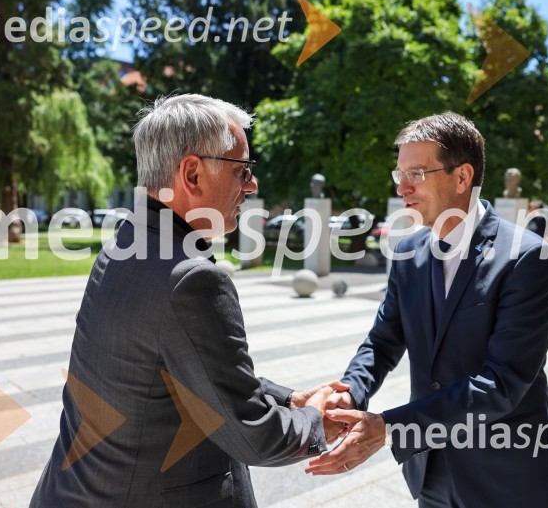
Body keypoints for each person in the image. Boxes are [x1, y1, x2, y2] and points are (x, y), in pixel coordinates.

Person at [31, 94, 345, 507]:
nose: (252, 185)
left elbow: (180, 365)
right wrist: (315, 417)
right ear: (192, 174)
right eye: (243, 170)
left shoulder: (127, 243)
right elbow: (254, 435)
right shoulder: (191, 277)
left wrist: (287, 398)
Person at [305, 112, 548, 508]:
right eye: (399, 174)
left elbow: (503, 383)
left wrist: (389, 427)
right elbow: (384, 339)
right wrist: (352, 392)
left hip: (507, 479)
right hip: (429, 474)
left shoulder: (527, 257)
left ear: (462, 177)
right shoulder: (407, 251)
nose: (403, 187)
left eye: (417, 173)